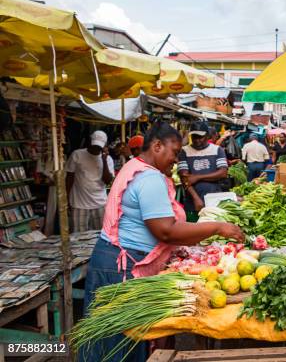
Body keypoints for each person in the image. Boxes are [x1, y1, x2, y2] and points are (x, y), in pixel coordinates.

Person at [82, 122, 243, 362]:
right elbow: (166, 231)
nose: (176, 160)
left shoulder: (135, 167)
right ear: (157, 146)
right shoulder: (149, 177)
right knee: (117, 346)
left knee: (116, 342)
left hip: (114, 261)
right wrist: (218, 227)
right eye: (175, 152)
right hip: (121, 269)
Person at [178, 121, 229, 220]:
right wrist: (196, 198)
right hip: (192, 203)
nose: (197, 140)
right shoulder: (184, 151)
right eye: (194, 137)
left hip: (214, 201)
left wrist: (197, 177)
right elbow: (185, 178)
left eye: (200, 137)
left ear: (207, 135)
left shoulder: (217, 150)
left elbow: (223, 173)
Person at [66, 130, 114, 232]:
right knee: (78, 238)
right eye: (94, 145)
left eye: (99, 147)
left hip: (100, 203)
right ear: (90, 142)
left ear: (105, 145)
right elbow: (69, 178)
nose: (96, 149)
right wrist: (67, 199)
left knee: (102, 235)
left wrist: (104, 160)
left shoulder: (108, 159)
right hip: (79, 204)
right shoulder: (77, 155)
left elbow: (107, 181)